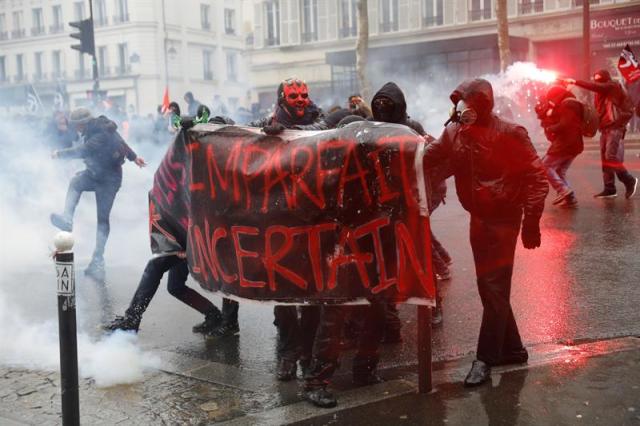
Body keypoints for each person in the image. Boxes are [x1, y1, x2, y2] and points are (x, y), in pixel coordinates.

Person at [422, 78, 549, 387]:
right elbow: (430, 158)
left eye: (467, 104)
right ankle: (513, 349)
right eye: (458, 104)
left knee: (492, 287)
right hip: (478, 219)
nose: (461, 110)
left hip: (505, 220)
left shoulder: (510, 134)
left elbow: (537, 178)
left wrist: (530, 224)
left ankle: (485, 358)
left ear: (482, 106)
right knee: (490, 288)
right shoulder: (454, 133)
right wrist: (399, 152)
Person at [247, 77, 323, 381]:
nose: (302, 100)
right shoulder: (267, 121)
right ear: (282, 98)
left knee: (315, 290)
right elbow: (237, 132)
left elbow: (323, 129)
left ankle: (307, 350)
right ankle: (289, 353)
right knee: (284, 293)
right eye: (294, 96)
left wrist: (292, 133)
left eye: (305, 94)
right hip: (279, 218)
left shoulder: (317, 118)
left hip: (313, 215)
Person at [370, 81, 448, 330]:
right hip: (384, 204)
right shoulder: (372, 128)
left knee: (419, 257)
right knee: (387, 261)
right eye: (378, 105)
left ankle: (433, 304)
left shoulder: (412, 127)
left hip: (411, 202)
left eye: (387, 105)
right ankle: (390, 309)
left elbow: (433, 156)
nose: (382, 109)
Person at [50, 108, 146, 281]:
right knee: (75, 183)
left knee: (102, 219)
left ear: (82, 123)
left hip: (109, 179)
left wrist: (59, 154)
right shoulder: (100, 127)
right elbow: (121, 142)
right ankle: (67, 219)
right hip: (94, 173)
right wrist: (134, 157)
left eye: (76, 125)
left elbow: (84, 150)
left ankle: (98, 259)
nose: (75, 128)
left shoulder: (101, 133)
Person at [561, 70, 638, 199]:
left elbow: (597, 87)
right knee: (605, 159)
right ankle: (609, 188)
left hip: (615, 127)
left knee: (610, 157)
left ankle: (629, 180)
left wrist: (575, 81)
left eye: (599, 80)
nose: (597, 83)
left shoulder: (612, 86)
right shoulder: (600, 93)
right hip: (605, 128)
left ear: (606, 80)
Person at [535, 85, 584, 207]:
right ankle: (569, 198)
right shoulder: (571, 103)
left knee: (544, 166)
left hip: (566, 143)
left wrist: (550, 128)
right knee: (560, 170)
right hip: (573, 143)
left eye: (552, 98)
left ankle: (564, 190)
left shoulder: (567, 105)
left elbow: (565, 124)